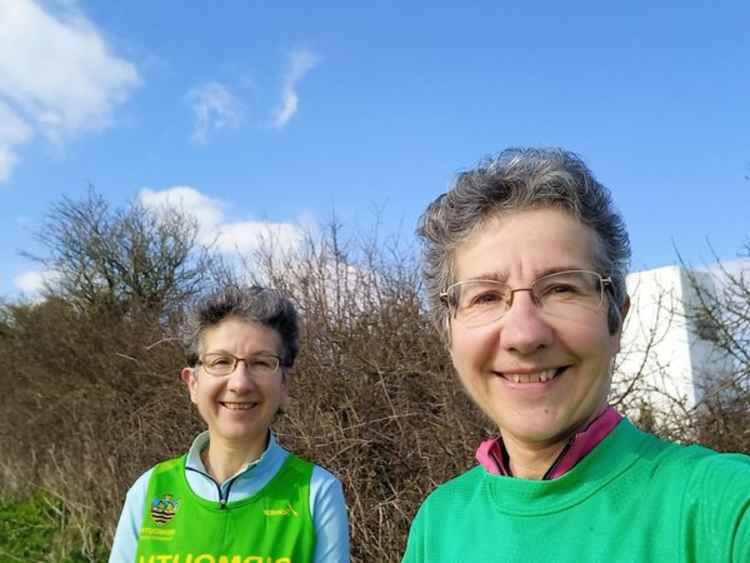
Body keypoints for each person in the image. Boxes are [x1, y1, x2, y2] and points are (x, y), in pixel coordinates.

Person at [402, 148, 750, 562]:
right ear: (448, 332)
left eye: (562, 288)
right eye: (486, 296)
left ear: (616, 320)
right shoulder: (438, 524)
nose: (524, 334)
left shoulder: (723, 510)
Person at [110, 286, 350, 562]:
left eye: (260, 363)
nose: (239, 383)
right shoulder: (150, 489)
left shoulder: (317, 494)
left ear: (285, 384)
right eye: (221, 361)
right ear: (193, 383)